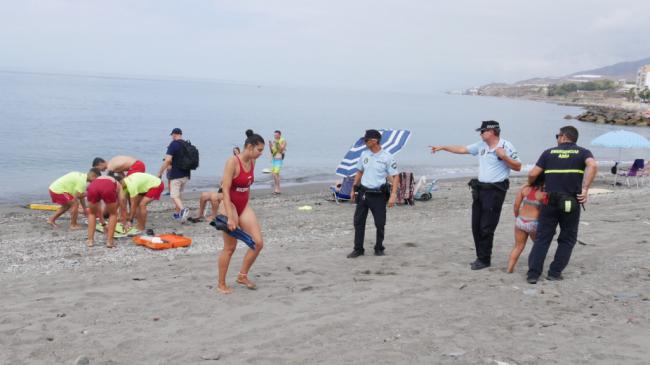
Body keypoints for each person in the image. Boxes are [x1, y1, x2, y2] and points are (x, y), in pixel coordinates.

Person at [430, 120, 521, 270]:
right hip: (480, 190)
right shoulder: (481, 146)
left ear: (491, 132)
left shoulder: (506, 146)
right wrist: (443, 147)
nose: (480, 134)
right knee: (476, 225)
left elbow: (518, 166)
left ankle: (485, 259)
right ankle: (480, 256)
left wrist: (504, 157)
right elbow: (461, 149)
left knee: (487, 226)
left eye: (482, 131)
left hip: (495, 190)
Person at [526, 126, 597, 284]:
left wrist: (533, 185)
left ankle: (533, 274)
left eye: (557, 135)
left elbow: (532, 174)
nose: (557, 138)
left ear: (564, 137)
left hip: (549, 200)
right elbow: (593, 165)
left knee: (543, 238)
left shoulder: (548, 153)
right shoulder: (583, 152)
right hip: (570, 201)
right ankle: (554, 272)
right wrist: (585, 189)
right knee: (567, 239)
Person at [217, 130, 265, 294]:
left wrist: (244, 206)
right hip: (229, 206)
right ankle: (221, 284)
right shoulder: (232, 162)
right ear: (250, 147)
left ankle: (242, 276)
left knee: (258, 243)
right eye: (259, 150)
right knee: (230, 248)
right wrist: (230, 216)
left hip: (243, 206)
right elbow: (225, 190)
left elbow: (246, 187)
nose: (260, 154)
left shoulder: (252, 162)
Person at [347, 129, 399, 258]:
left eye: (366, 140)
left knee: (380, 223)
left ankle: (379, 247)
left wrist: (393, 194)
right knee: (358, 222)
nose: (364, 142)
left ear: (374, 141)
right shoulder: (364, 154)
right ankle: (358, 249)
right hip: (363, 193)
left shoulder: (387, 157)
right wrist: (353, 188)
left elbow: (395, 176)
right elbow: (359, 171)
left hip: (378, 195)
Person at [507, 174, 547, 273]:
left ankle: (509, 269)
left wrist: (517, 216)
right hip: (534, 223)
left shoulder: (524, 188)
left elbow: (516, 205)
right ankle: (533, 268)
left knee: (518, 247)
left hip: (521, 221)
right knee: (537, 246)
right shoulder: (544, 193)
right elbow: (546, 211)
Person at [188, 147, 240, 223]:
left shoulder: (238, 167)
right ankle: (200, 214)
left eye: (237, 153)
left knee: (214, 197)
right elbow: (223, 181)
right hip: (222, 191)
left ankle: (214, 216)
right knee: (204, 195)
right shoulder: (230, 166)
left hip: (230, 193)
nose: (235, 155)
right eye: (234, 153)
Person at [86, 174, 128, 248]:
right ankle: (109, 241)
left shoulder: (98, 179)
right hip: (107, 187)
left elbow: (98, 209)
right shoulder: (118, 184)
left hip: (93, 186)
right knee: (113, 214)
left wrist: (103, 224)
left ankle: (90, 240)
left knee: (91, 213)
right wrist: (124, 223)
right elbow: (123, 204)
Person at [158, 128, 191, 222]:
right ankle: (178, 214)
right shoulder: (186, 144)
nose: (172, 137)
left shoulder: (174, 144)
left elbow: (168, 160)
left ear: (174, 134)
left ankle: (183, 210)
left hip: (176, 175)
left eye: (172, 135)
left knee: (174, 196)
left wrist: (160, 172)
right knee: (179, 195)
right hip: (186, 174)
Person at [268, 130, 286, 195]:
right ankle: (277, 189)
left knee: (275, 174)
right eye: (274, 135)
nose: (275, 136)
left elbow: (281, 150)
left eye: (276, 135)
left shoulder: (282, 140)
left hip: (279, 159)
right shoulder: (274, 141)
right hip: (274, 159)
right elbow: (272, 152)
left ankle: (277, 189)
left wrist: (277, 143)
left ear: (279, 135)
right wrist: (270, 145)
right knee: (274, 174)